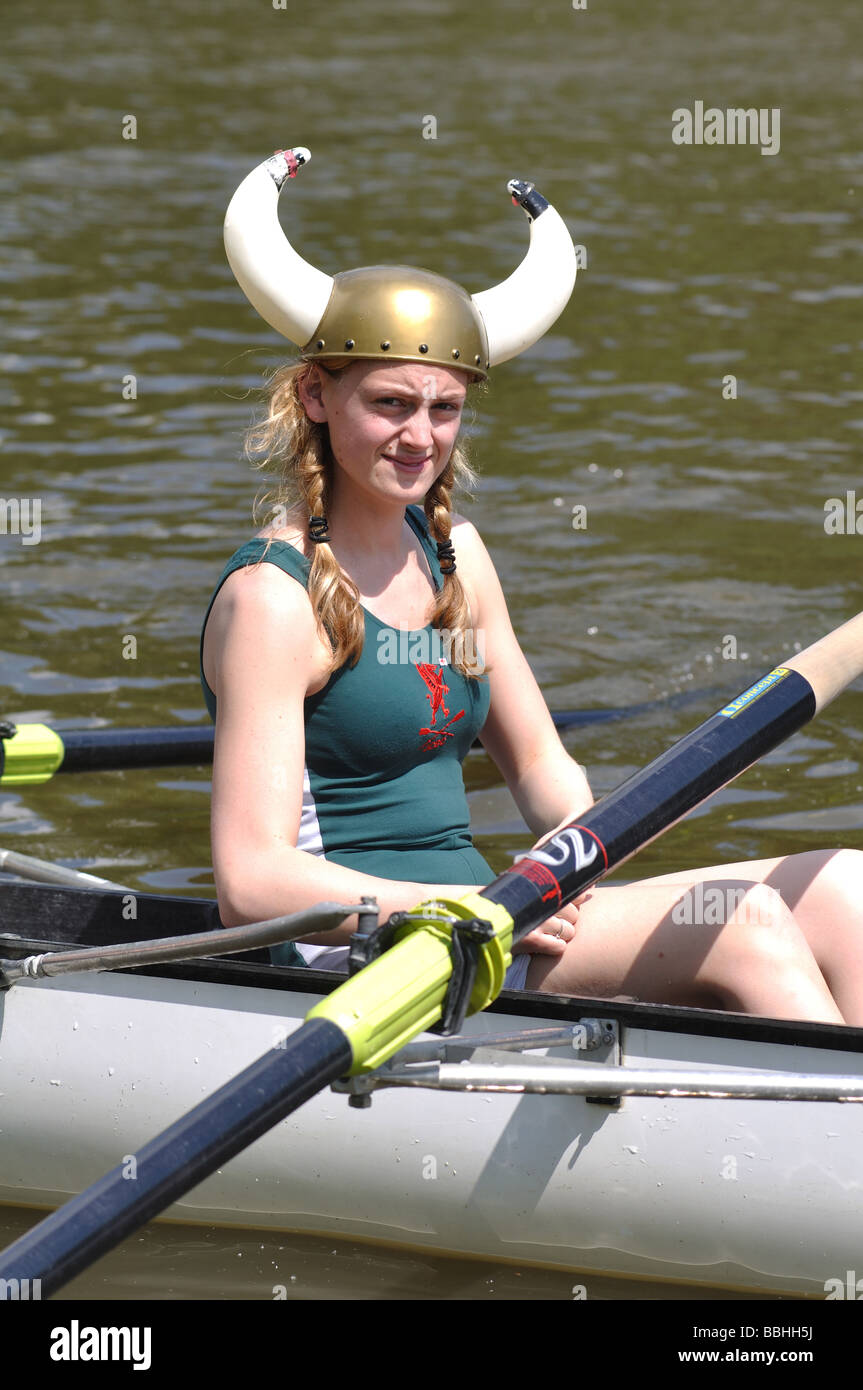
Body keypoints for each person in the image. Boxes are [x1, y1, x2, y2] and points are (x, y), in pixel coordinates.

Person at [202, 148, 863, 1026]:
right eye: (390, 404)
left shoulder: (454, 554)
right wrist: (444, 906)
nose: (420, 436)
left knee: (844, 888)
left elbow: (543, 765)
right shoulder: (271, 600)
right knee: (744, 925)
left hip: (486, 919)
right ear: (316, 399)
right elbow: (251, 881)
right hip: (356, 952)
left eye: (444, 409)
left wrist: (569, 854)